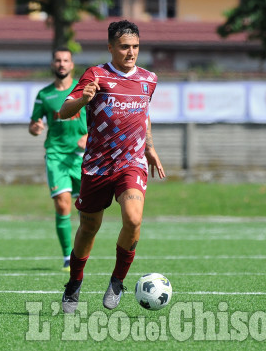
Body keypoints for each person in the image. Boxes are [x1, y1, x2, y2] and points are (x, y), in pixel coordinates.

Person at [58, 20, 166, 313]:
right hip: (97, 165)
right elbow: (64, 111)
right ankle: (74, 285)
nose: (131, 52)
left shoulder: (149, 79)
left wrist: (150, 149)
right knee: (89, 228)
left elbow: (144, 116)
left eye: (135, 47)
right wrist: (83, 99)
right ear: (111, 48)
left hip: (131, 163)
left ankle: (117, 281)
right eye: (124, 47)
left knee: (133, 219)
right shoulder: (96, 75)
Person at [29, 47, 88, 271]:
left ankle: (82, 252)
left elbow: (99, 120)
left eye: (66, 60)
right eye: (57, 60)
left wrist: (88, 135)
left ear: (72, 65)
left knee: (88, 211)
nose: (62, 64)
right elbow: (33, 126)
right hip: (55, 155)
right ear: (52, 64)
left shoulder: (83, 91)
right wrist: (35, 128)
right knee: (63, 205)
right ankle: (67, 256)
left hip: (82, 157)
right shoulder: (44, 95)